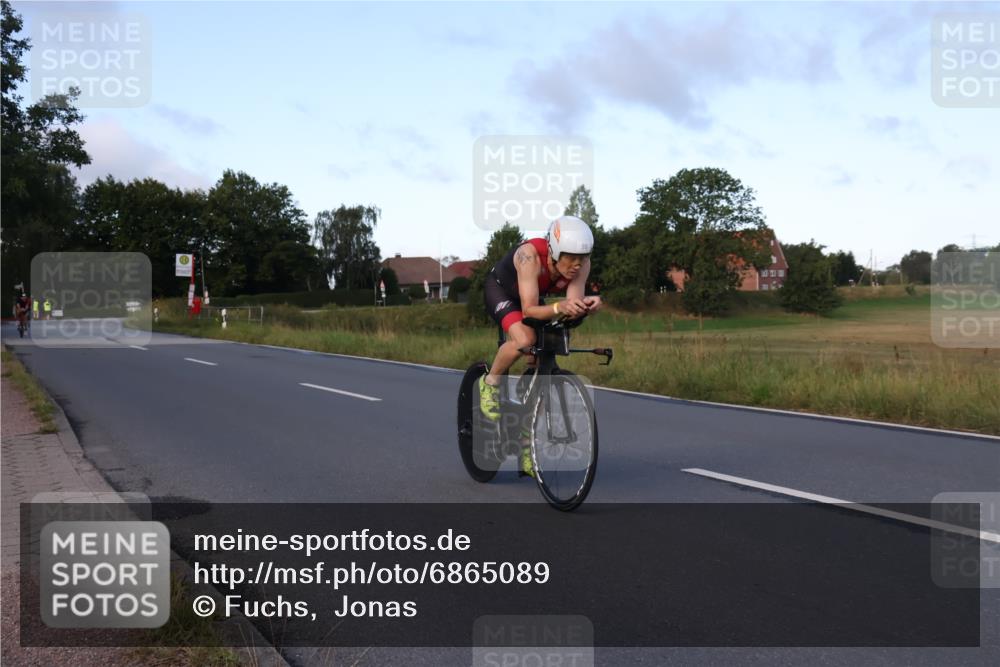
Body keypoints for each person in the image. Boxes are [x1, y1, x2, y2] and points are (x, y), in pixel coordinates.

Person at [480, 215, 602, 477]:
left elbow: (571, 309)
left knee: (542, 362)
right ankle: (489, 383)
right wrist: (559, 307)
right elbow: (529, 311)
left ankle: (526, 445)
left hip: (532, 295)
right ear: (556, 251)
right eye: (571, 257)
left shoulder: (582, 265)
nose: (577, 264)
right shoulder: (529, 256)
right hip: (502, 292)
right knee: (525, 340)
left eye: (583, 257)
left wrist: (585, 308)